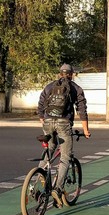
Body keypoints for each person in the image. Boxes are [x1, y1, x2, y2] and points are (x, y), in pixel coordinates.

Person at [36, 63, 91, 207]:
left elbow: (41, 105)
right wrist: (85, 131)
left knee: (50, 148)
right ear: (72, 74)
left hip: (48, 123)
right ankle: (58, 189)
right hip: (64, 124)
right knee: (65, 157)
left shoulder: (49, 87)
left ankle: (39, 176)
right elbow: (82, 110)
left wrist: (44, 120)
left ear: (60, 73)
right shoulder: (76, 89)